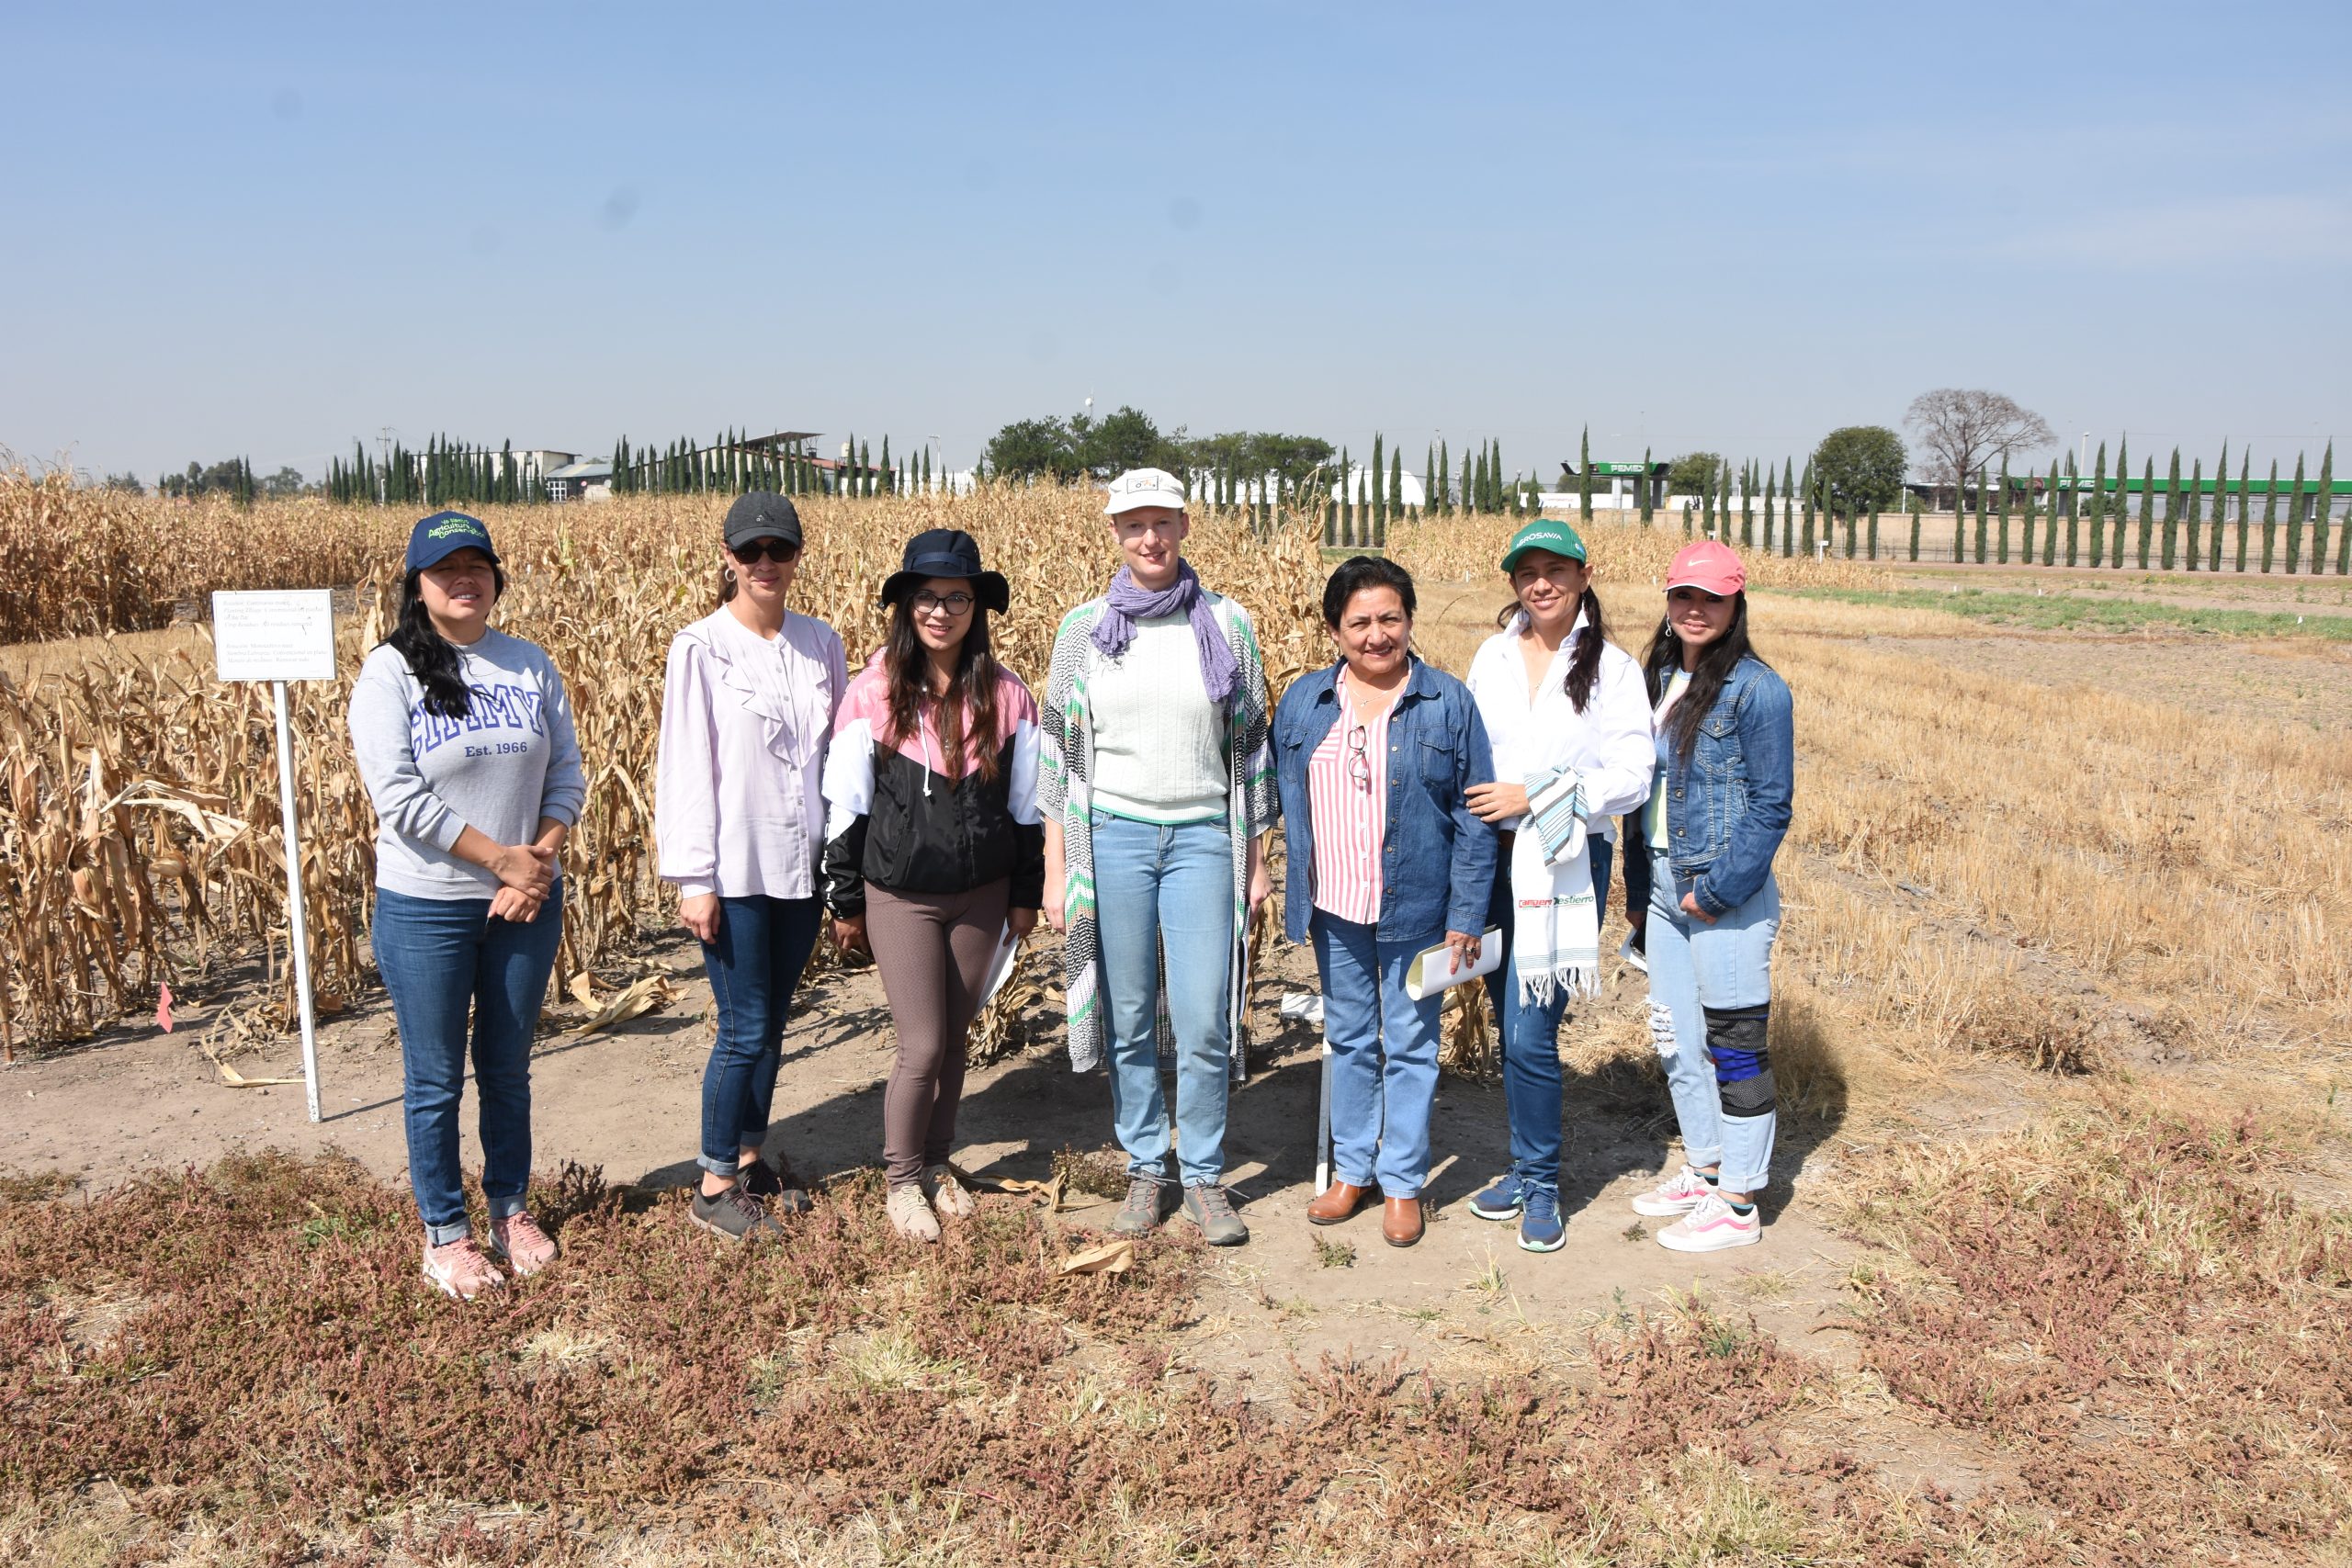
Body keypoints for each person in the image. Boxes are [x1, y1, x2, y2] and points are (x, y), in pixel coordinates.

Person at [350, 511, 585, 1300]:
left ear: (495, 578)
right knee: (435, 1077)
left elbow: (568, 779)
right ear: (417, 585)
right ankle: (445, 1234)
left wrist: (536, 863)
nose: (464, 579)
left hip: (526, 903)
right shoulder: (390, 672)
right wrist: (502, 862)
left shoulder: (527, 664)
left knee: (509, 1068)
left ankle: (511, 1209)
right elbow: (399, 797)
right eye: (445, 567)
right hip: (428, 907)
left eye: (476, 565)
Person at [1039, 468, 1274, 1247]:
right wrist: (1053, 866)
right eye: (1134, 524)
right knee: (1131, 1015)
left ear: (1184, 526)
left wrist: (1256, 857)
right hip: (1115, 838)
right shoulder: (1085, 630)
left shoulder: (1228, 624)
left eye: (1162, 523)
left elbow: (1250, 749)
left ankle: (1203, 1173)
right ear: (1114, 533)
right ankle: (1147, 1164)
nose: (1150, 538)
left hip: (1204, 838)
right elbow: (1056, 756)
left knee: (1207, 1017)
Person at [822, 530, 1045, 1244]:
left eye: (957, 597)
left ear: (977, 607)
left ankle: (940, 1162)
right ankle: (900, 1179)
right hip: (901, 893)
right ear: (906, 606)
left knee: (954, 1040)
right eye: (927, 597)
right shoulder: (874, 690)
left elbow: (1027, 807)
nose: (941, 611)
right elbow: (846, 805)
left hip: (982, 891)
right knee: (920, 1044)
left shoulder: (1008, 695)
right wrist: (846, 898)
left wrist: (1026, 893)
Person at [1272, 558, 1495, 1248]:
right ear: (1335, 630)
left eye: (1389, 618)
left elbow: (1474, 813)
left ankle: (1401, 1181)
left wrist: (1465, 911)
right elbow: (1286, 802)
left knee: (1411, 1045)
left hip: (1419, 907)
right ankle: (1352, 1171)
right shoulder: (1305, 703)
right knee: (1349, 1040)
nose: (1376, 634)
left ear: (1409, 621)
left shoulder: (1447, 702)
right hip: (1335, 907)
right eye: (1359, 621)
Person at [656, 491, 847, 1244]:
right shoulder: (699, 647)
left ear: (798, 555)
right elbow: (685, 764)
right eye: (751, 551)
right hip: (734, 867)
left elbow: (837, 761)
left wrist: (842, 866)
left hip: (800, 868)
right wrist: (694, 877)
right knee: (740, 1028)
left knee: (770, 1022)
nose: (765, 563)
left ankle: (748, 1157)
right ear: (728, 559)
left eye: (780, 550)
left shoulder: (820, 642)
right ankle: (712, 1186)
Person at [1461, 519, 1657, 1253]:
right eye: (1525, 571)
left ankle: (1542, 1180)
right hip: (1489, 855)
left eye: (1554, 569)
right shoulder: (1492, 653)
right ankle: (1522, 1164)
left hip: (1564, 858)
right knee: (1510, 1019)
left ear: (1583, 574)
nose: (1539, 583)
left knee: (1532, 1026)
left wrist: (1536, 795)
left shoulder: (1613, 667)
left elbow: (1633, 777)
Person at [1628, 540, 1793, 1252]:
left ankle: (1740, 1200)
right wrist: (1643, 892)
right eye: (1683, 597)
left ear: (1735, 606)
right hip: (1666, 888)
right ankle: (1706, 1164)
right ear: (1667, 603)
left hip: (1722, 892)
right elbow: (1642, 795)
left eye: (1711, 599)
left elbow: (1771, 805)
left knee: (1734, 1047)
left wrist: (1718, 891)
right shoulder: (1657, 675)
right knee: (1676, 1038)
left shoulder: (1758, 690)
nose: (1695, 610)